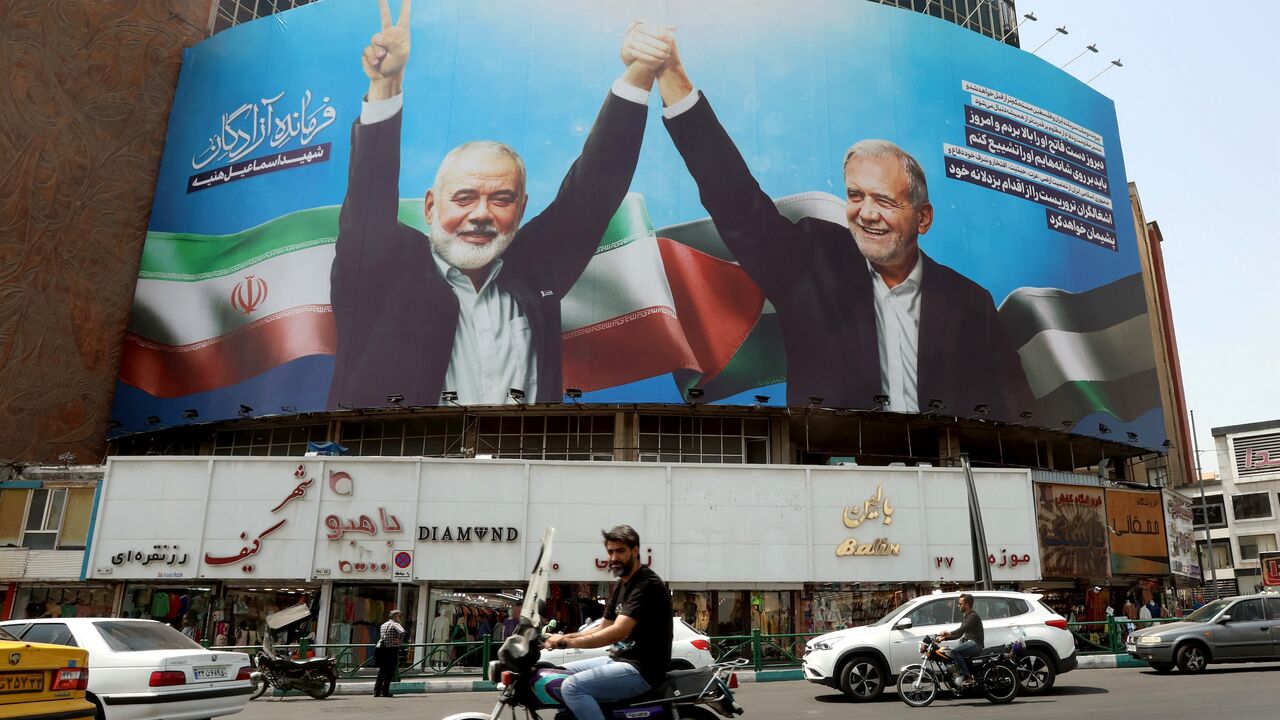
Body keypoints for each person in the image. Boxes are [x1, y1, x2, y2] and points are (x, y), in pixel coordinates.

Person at [650, 33, 1036, 419]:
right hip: (833, 468)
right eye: (855, 196)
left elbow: (1017, 415)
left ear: (923, 218)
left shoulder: (971, 304)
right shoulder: (811, 257)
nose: (866, 213)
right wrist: (675, 83)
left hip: (948, 469)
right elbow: (737, 204)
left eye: (884, 200)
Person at [328, 0, 673, 409]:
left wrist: (641, 71)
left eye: (501, 199)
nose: (481, 214)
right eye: (464, 198)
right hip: (402, 466)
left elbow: (594, 190)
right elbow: (368, 197)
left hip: (522, 467)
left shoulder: (533, 268)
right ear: (429, 206)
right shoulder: (383, 265)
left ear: (521, 209)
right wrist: (386, 85)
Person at [542, 525, 672, 720]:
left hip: (642, 669)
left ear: (635, 551)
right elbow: (604, 625)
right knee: (557, 675)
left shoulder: (646, 584)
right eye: (610, 552)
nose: (613, 558)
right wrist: (565, 636)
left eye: (620, 551)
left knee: (572, 687)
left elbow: (617, 631)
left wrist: (567, 643)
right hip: (618, 659)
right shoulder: (621, 584)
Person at [938, 594, 983, 687]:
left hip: (975, 644)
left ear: (966, 605)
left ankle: (968, 677)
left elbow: (963, 629)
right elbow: (959, 634)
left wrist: (949, 633)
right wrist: (945, 638)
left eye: (960, 604)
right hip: (969, 642)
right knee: (949, 651)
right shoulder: (967, 616)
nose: (958, 605)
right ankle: (960, 675)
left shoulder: (973, 616)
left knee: (954, 652)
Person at [374, 609, 405, 698]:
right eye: (399, 616)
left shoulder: (384, 625)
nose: (400, 618)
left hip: (382, 649)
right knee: (389, 672)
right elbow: (402, 631)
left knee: (382, 671)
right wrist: (399, 640)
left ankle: (376, 691)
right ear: (395, 617)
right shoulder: (395, 624)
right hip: (391, 649)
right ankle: (385, 691)